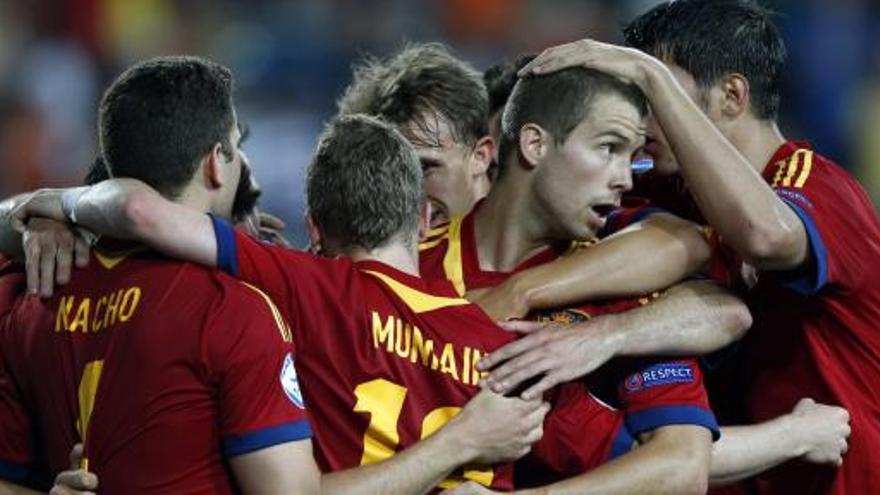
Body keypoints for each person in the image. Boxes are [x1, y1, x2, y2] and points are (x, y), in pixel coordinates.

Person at [516, 0, 877, 492]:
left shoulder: (823, 189)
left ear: (731, 95)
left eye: (658, 97)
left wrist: (650, 75)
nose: (642, 123)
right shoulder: (673, 188)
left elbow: (764, 236)